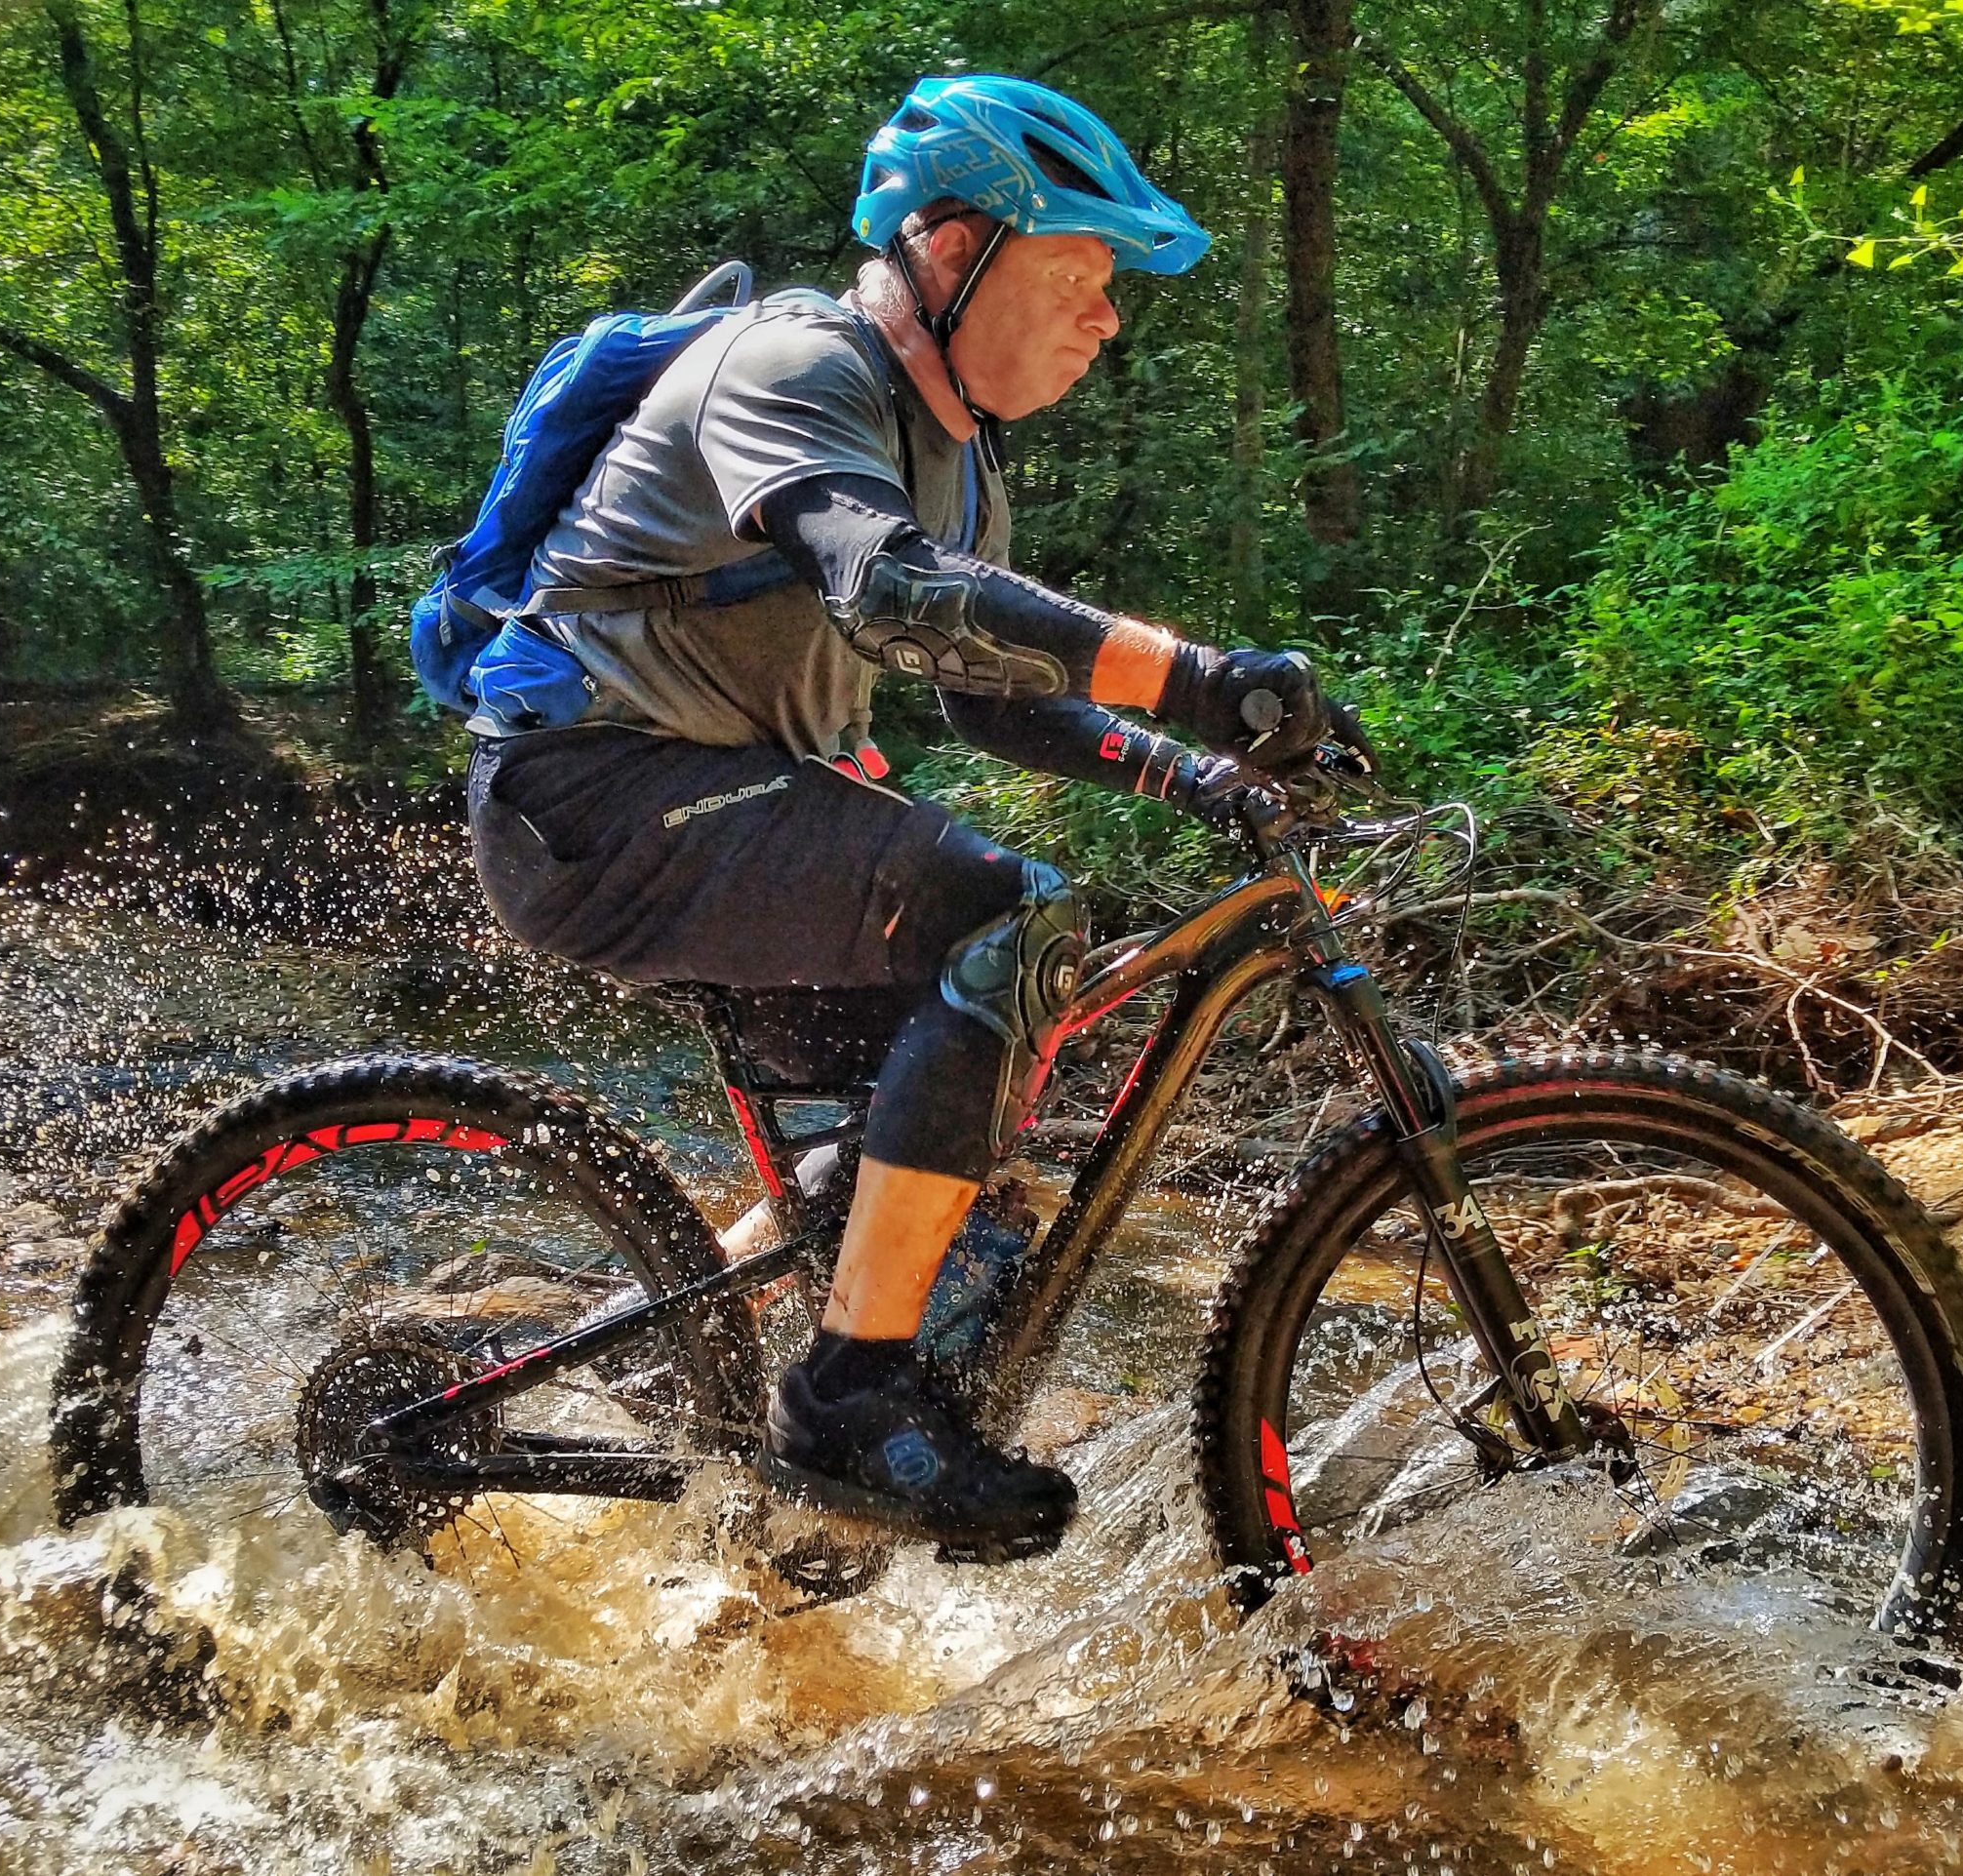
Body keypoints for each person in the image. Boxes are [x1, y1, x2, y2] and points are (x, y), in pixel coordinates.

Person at [465, 73, 1368, 1556]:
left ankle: (661, 1357)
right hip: (594, 798)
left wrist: (1200, 771)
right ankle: (848, 1393)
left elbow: (987, 697)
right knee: (1012, 914)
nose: (1107, 317)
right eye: (1077, 273)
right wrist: (1198, 681)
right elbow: (885, 587)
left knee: (949, 1149)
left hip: (722, 799)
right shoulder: (791, 366)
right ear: (949, 251)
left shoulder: (956, 450)